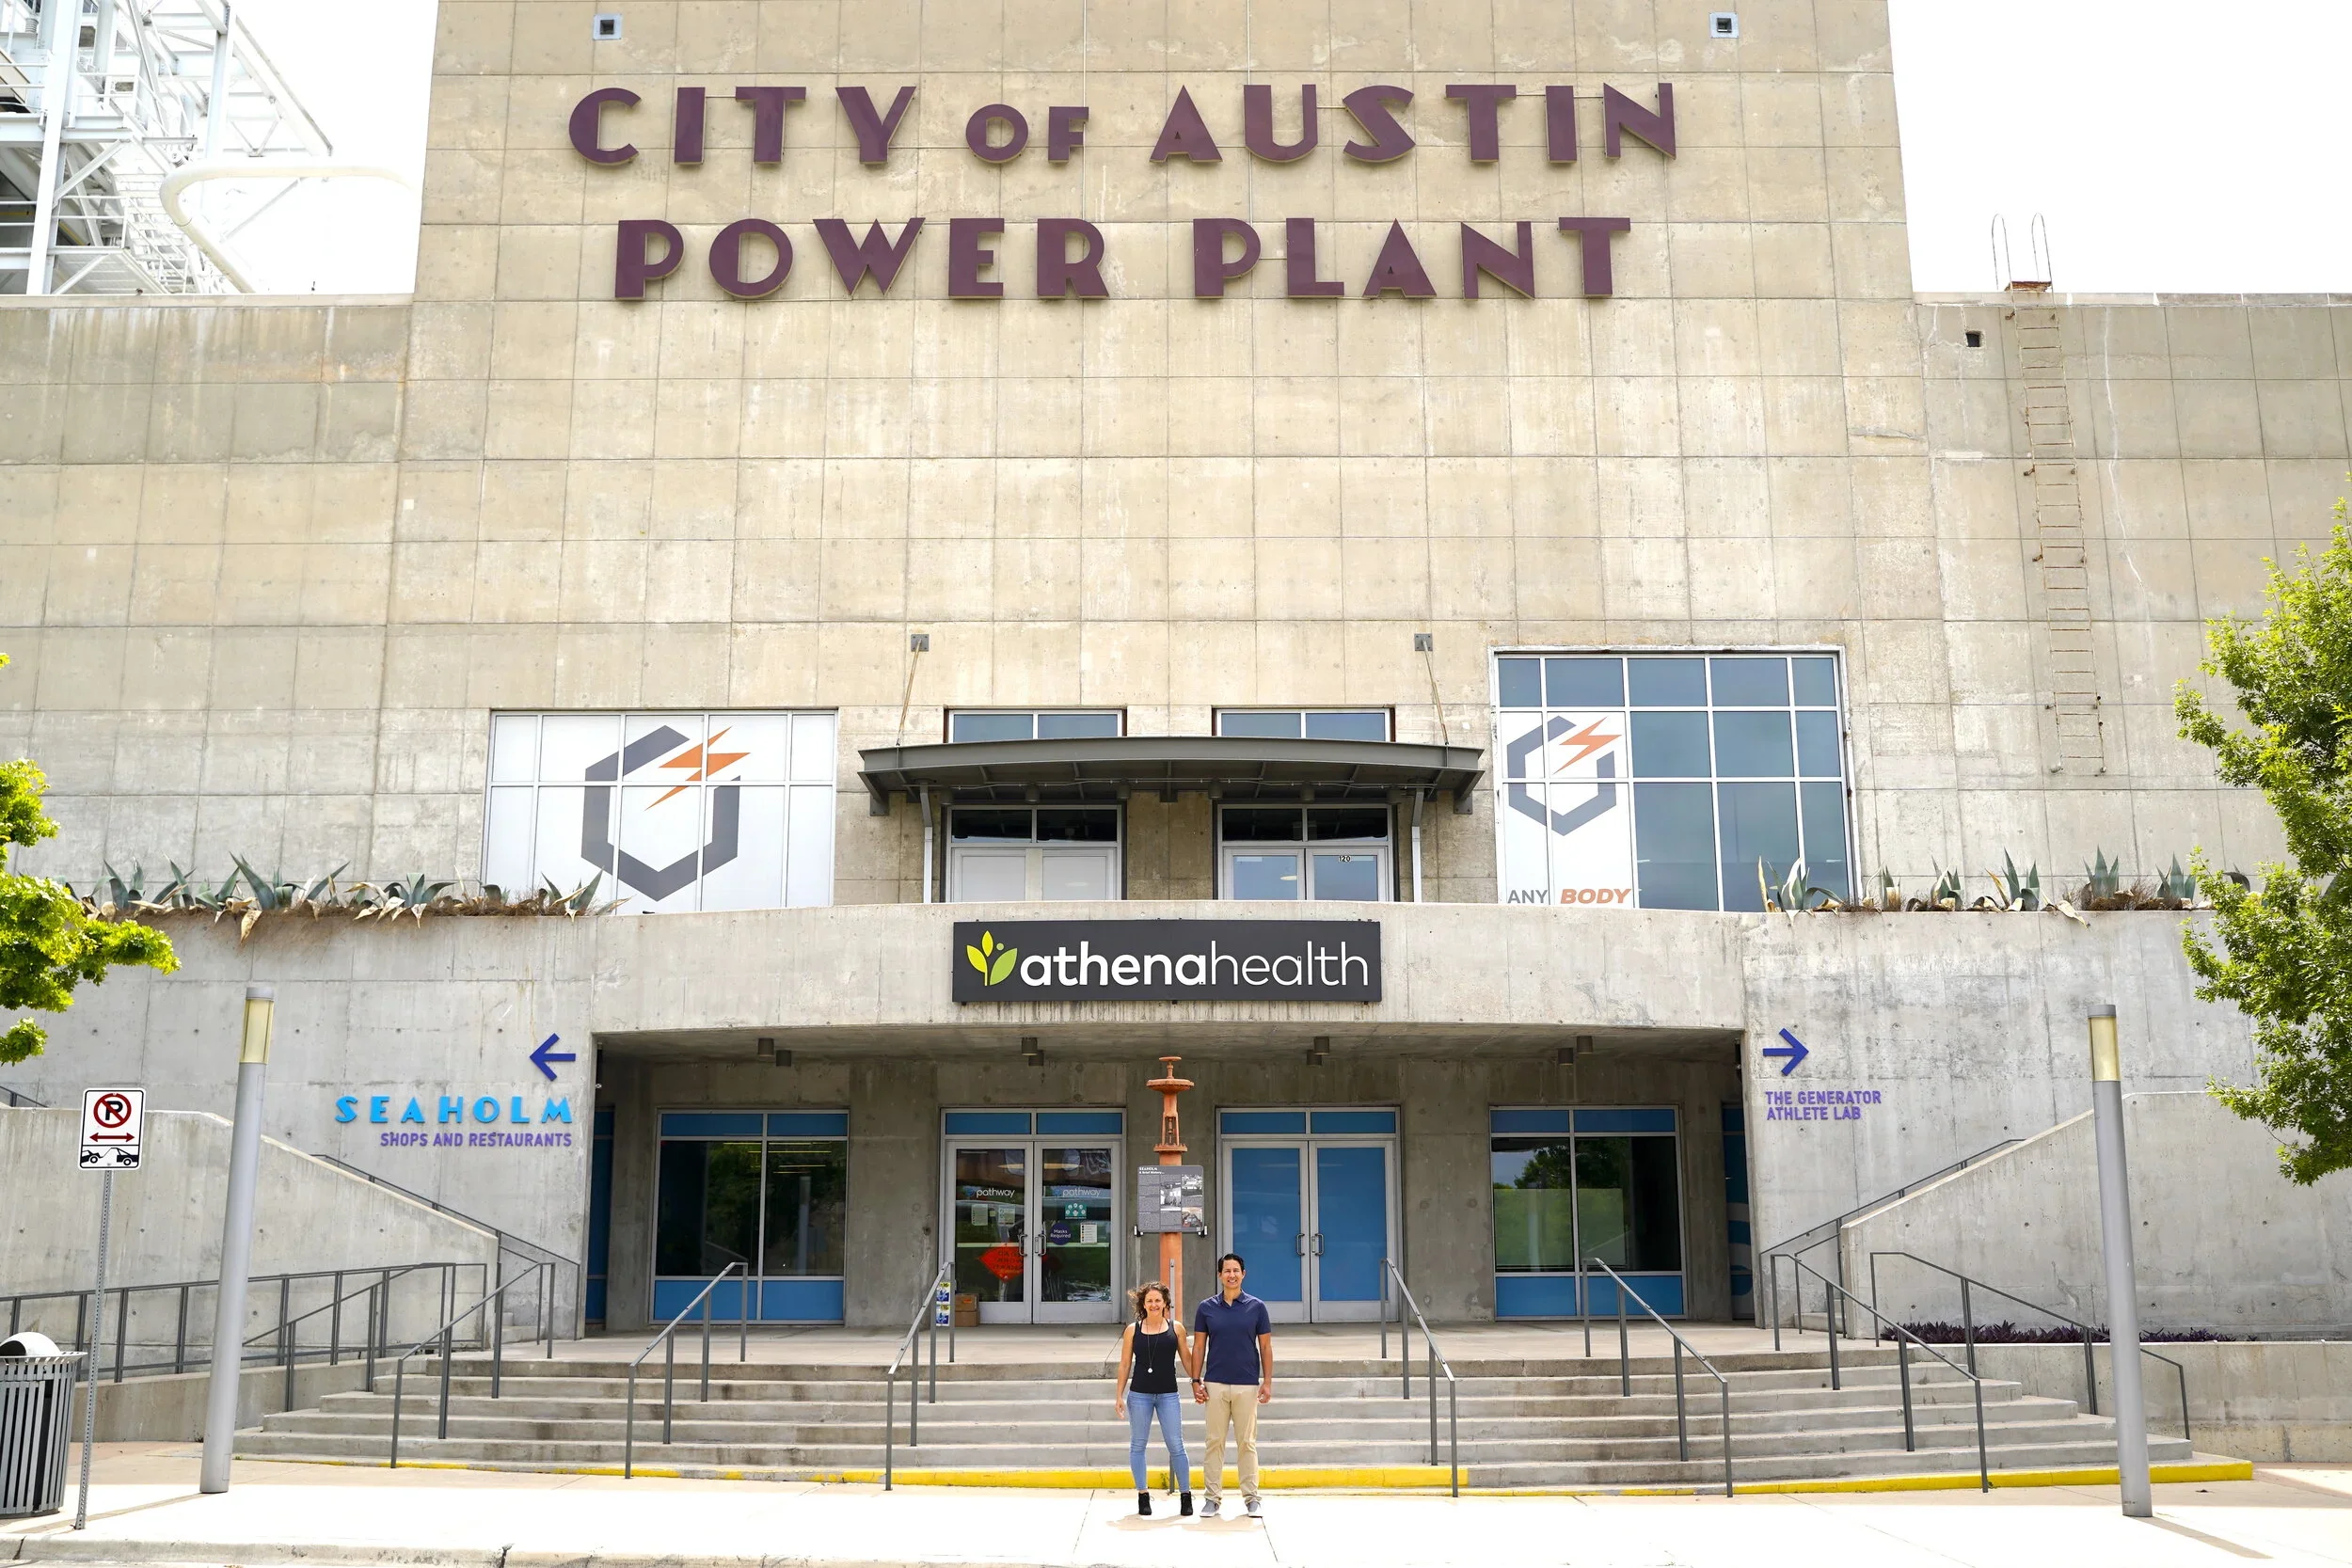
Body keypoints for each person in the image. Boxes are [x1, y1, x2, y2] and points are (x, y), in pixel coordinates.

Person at [1188, 1251, 1272, 1519]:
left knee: (1247, 1443)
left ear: (1243, 1274)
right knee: (1214, 1442)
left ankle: (1252, 1499)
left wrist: (1267, 1382)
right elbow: (1198, 1346)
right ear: (1219, 1275)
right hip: (1215, 1384)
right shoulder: (1206, 1308)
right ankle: (1212, 1499)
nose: (1232, 1275)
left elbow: (1265, 1347)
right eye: (1227, 1271)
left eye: (1236, 1270)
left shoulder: (1257, 1307)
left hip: (1247, 1384)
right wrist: (1195, 1380)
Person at [1112, 1281, 1193, 1516]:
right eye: (1150, 1301)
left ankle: (1186, 1495)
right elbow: (1125, 1364)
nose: (1154, 1304)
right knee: (1138, 1445)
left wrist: (1198, 1381)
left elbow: (1187, 1359)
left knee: (1176, 1445)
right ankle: (1143, 1495)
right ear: (1143, 1304)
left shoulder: (1176, 1328)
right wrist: (1119, 1395)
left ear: (1166, 1303)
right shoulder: (1132, 1330)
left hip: (1168, 1394)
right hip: (1139, 1395)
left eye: (1158, 1300)